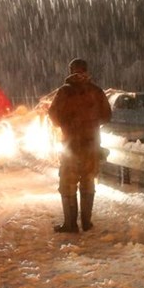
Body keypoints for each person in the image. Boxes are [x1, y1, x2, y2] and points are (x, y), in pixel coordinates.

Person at [47, 58, 112, 233]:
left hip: (71, 145)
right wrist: (91, 122)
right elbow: (107, 116)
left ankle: (70, 224)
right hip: (92, 145)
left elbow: (52, 115)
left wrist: (66, 124)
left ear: (70, 71)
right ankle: (86, 222)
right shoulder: (96, 91)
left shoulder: (64, 92)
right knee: (88, 181)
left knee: (68, 183)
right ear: (86, 70)